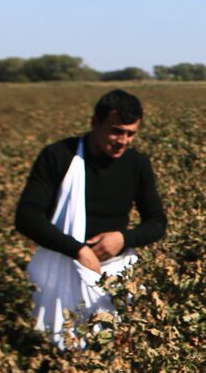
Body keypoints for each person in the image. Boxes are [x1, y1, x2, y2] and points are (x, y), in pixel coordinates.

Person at [15, 89, 167, 346]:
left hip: (113, 273)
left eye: (131, 133)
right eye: (116, 131)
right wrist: (78, 251)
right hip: (60, 266)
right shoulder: (59, 156)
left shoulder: (136, 164)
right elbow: (26, 216)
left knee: (113, 347)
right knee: (50, 346)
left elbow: (157, 222)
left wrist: (122, 238)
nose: (123, 140)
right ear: (94, 123)